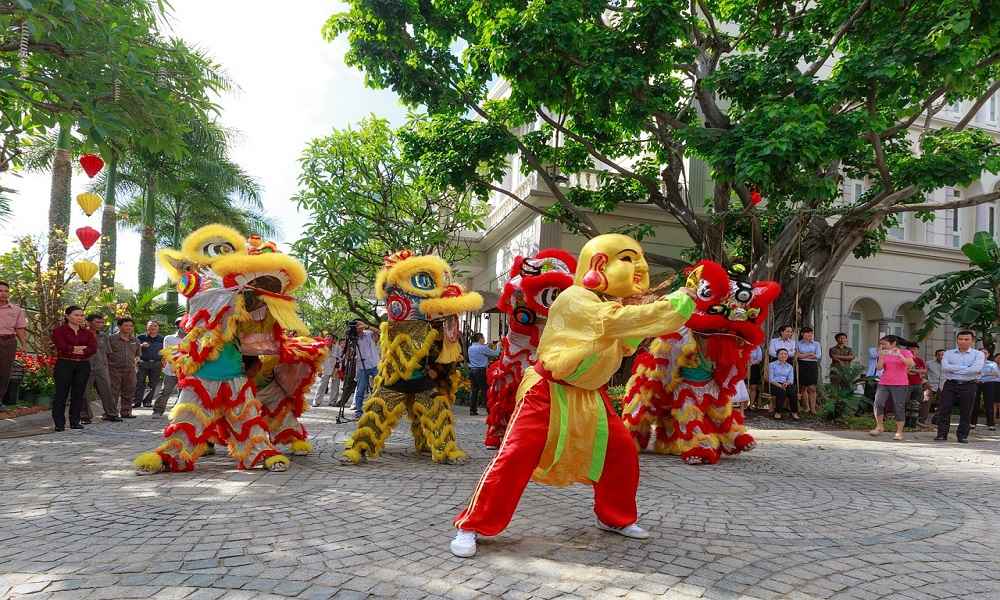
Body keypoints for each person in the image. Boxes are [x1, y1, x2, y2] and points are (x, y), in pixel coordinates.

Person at [450, 234, 696, 558]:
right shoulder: (575, 298)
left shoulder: (610, 305)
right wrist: (678, 302)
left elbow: (626, 339)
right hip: (547, 390)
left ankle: (616, 517)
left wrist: (646, 310)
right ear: (598, 264)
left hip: (591, 396)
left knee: (621, 451)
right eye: (627, 259)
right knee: (515, 455)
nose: (639, 267)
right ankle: (471, 524)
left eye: (639, 260)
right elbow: (613, 323)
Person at [50, 306, 97, 431]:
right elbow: (62, 346)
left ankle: (75, 421)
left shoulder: (87, 333)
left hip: (83, 365)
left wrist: (77, 350)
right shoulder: (59, 331)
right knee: (61, 394)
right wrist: (76, 349)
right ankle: (59, 423)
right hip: (64, 363)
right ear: (67, 316)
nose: (79, 318)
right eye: (76, 315)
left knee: (79, 394)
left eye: (81, 315)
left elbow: (93, 348)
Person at [936, 331, 985, 443]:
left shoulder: (978, 354)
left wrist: (954, 369)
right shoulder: (948, 353)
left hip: (969, 384)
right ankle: (942, 434)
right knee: (944, 409)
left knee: (966, 411)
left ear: (972, 341)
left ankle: (962, 435)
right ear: (957, 340)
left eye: (966, 339)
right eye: (960, 339)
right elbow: (945, 368)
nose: (963, 341)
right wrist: (966, 368)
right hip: (950, 384)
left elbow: (975, 369)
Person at [871, 335, 914, 441]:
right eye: (880, 344)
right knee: (878, 403)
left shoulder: (905, 352)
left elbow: (911, 364)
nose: (881, 346)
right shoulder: (883, 353)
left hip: (900, 383)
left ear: (893, 343)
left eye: (884, 344)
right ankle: (879, 426)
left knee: (898, 406)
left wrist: (899, 355)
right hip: (884, 382)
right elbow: (879, 368)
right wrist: (881, 356)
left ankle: (899, 432)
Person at [85, 314, 119, 422]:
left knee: (107, 391)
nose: (100, 325)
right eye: (97, 322)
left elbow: (108, 352)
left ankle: (111, 414)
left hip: (101, 367)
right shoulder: (82, 334)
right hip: (85, 367)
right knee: (84, 393)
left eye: (102, 322)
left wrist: (107, 367)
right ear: (88, 322)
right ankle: (85, 416)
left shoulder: (103, 336)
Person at [0, 281, 29, 407]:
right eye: (0, 291)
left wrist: (24, 345)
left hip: (9, 341)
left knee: (4, 372)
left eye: (6, 291)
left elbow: (20, 328)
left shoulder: (17, 310)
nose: (3, 293)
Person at [108, 317, 140, 419]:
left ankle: (126, 412)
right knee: (113, 392)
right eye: (126, 325)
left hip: (130, 370)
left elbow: (137, 355)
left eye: (131, 326)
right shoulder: (111, 339)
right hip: (114, 369)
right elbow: (105, 353)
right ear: (119, 326)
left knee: (129, 391)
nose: (129, 328)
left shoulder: (135, 340)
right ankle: (111, 413)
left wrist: (136, 362)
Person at [152, 318, 185, 417]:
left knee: (183, 392)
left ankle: (178, 412)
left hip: (186, 371)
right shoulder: (169, 338)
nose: (184, 326)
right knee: (165, 391)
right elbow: (166, 353)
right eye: (182, 324)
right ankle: (158, 411)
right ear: (177, 326)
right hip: (171, 370)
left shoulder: (193, 338)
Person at [466, 333, 500, 416]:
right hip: (481, 371)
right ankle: (489, 410)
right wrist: (498, 346)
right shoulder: (482, 348)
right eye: (483, 338)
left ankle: (472, 410)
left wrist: (488, 345)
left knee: (474, 391)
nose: (484, 340)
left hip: (472, 370)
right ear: (480, 338)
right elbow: (495, 354)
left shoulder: (470, 348)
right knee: (485, 391)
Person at [351, 321, 379, 418]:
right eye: (357, 326)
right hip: (362, 367)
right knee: (360, 390)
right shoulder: (353, 338)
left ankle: (378, 408)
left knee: (379, 387)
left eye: (360, 325)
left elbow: (379, 332)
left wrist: (367, 326)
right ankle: (358, 411)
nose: (359, 327)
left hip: (375, 364)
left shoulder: (369, 333)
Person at [134, 320, 164, 409]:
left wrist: (164, 361)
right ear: (147, 327)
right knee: (139, 382)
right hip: (142, 363)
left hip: (157, 363)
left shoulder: (162, 339)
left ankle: (147, 401)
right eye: (150, 325)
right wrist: (141, 345)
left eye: (155, 326)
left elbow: (166, 350)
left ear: (158, 328)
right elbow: (133, 347)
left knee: (153, 384)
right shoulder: (140, 337)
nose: (152, 327)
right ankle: (137, 401)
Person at [902, 341, 927, 429]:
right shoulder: (904, 359)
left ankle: (913, 423)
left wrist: (914, 370)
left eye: (915, 349)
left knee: (915, 404)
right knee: (905, 403)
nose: (913, 351)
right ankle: (903, 422)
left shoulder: (919, 360)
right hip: (906, 384)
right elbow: (904, 370)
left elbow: (924, 370)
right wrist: (917, 371)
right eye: (911, 349)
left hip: (917, 384)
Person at [796, 327, 820, 414]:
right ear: (802, 334)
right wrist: (810, 354)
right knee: (803, 387)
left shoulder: (816, 344)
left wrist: (804, 355)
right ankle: (806, 407)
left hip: (812, 366)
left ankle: (813, 409)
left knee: (812, 388)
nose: (810, 334)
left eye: (811, 333)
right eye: (807, 333)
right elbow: (798, 356)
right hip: (802, 365)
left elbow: (818, 356)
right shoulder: (798, 343)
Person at [971, 351, 998, 431]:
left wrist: (981, 373)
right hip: (975, 382)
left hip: (988, 383)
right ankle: (972, 423)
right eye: (981, 353)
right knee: (975, 403)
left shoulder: (992, 363)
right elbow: (970, 372)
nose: (983, 354)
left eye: (985, 353)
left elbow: (996, 374)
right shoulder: (973, 362)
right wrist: (988, 373)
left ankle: (991, 424)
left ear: (988, 355)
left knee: (989, 403)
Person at [768, 349, 798, 420]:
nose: (783, 355)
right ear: (777, 355)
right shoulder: (772, 365)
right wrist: (780, 386)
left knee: (793, 392)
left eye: (785, 354)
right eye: (781, 354)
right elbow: (771, 379)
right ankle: (778, 412)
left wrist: (786, 383)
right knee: (782, 392)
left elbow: (791, 379)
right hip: (775, 384)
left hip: (786, 384)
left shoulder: (789, 366)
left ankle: (794, 412)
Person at [314, 334, 343, 407]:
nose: (328, 340)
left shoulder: (337, 348)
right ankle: (317, 401)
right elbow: (318, 360)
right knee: (321, 386)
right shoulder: (321, 348)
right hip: (325, 369)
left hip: (335, 369)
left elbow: (340, 358)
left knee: (335, 386)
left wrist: (337, 368)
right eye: (327, 338)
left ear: (333, 340)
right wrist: (319, 370)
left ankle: (332, 401)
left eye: (330, 339)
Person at [923, 349, 944, 427]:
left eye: (943, 355)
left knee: (942, 404)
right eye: (939, 355)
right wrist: (925, 382)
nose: (941, 356)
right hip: (929, 386)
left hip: (943, 386)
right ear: (936, 356)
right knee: (925, 402)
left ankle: (936, 420)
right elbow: (923, 374)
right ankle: (922, 420)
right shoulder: (929, 363)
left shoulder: (948, 365)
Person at [748, 344, 763, 411]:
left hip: (754, 367)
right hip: (743, 366)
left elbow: (759, 358)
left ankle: (751, 405)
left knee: (753, 386)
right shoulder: (742, 344)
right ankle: (743, 404)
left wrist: (752, 363)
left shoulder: (757, 347)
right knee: (744, 386)